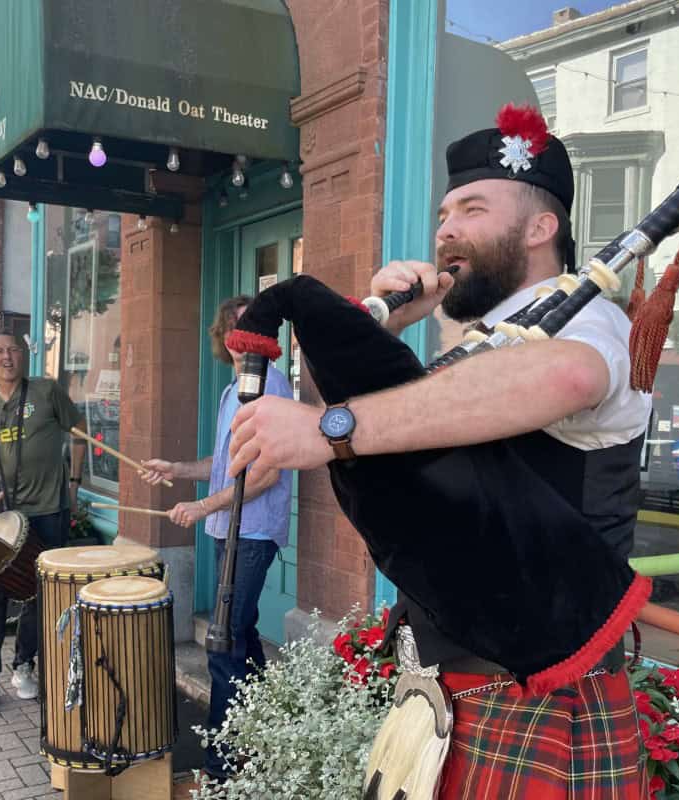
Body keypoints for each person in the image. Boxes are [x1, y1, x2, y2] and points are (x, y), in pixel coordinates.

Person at [225, 106, 652, 797]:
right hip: (465, 686)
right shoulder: (495, 336)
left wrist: (330, 429)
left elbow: (567, 375)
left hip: (539, 689)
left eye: (473, 209)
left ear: (541, 227)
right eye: (444, 213)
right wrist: (387, 322)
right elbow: (426, 430)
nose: (446, 227)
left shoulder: (587, 315)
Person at [140, 296, 294, 782]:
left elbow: (266, 473)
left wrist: (203, 505)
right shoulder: (235, 389)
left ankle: (222, 768)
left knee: (222, 644)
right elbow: (225, 466)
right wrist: (178, 471)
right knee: (242, 636)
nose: (242, 333)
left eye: (252, 323)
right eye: (235, 323)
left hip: (250, 533)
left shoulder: (268, 385)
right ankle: (264, 732)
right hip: (227, 528)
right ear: (224, 338)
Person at [0, 330, 87, 717]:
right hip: (8, 516)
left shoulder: (47, 392)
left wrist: (74, 484)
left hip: (50, 509)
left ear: (24, 355)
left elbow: (78, 434)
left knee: (38, 593)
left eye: (13, 349)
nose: (7, 357)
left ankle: (24, 665)